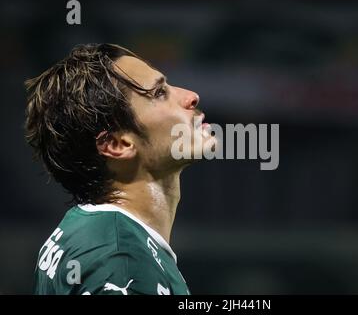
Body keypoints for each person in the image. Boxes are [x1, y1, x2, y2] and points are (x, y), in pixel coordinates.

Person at [24, 43, 215, 295]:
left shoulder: (84, 230)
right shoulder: (123, 264)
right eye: (159, 93)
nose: (191, 96)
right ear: (117, 144)